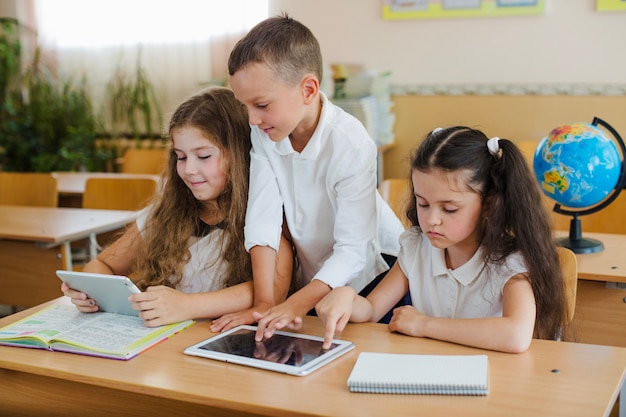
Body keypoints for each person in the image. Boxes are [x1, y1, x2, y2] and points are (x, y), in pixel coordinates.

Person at [214, 14, 405, 340]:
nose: (251, 118)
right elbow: (262, 219)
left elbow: (352, 250)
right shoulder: (265, 132)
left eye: (260, 104)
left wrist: (297, 303)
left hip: (373, 273)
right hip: (318, 277)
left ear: (308, 89)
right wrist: (264, 302)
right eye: (244, 105)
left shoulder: (350, 142)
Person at [316, 126, 569, 353]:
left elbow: (515, 335)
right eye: (423, 203)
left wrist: (425, 324)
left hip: (496, 383)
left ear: (489, 205)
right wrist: (346, 296)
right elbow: (371, 310)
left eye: (449, 209)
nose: (432, 220)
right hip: (438, 374)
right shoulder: (416, 247)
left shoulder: (510, 261)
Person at [61, 87, 293, 328]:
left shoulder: (266, 214)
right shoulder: (166, 214)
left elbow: (272, 290)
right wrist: (90, 291)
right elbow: (101, 264)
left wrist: (186, 305)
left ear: (240, 154)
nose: (189, 169)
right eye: (181, 157)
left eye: (203, 156)